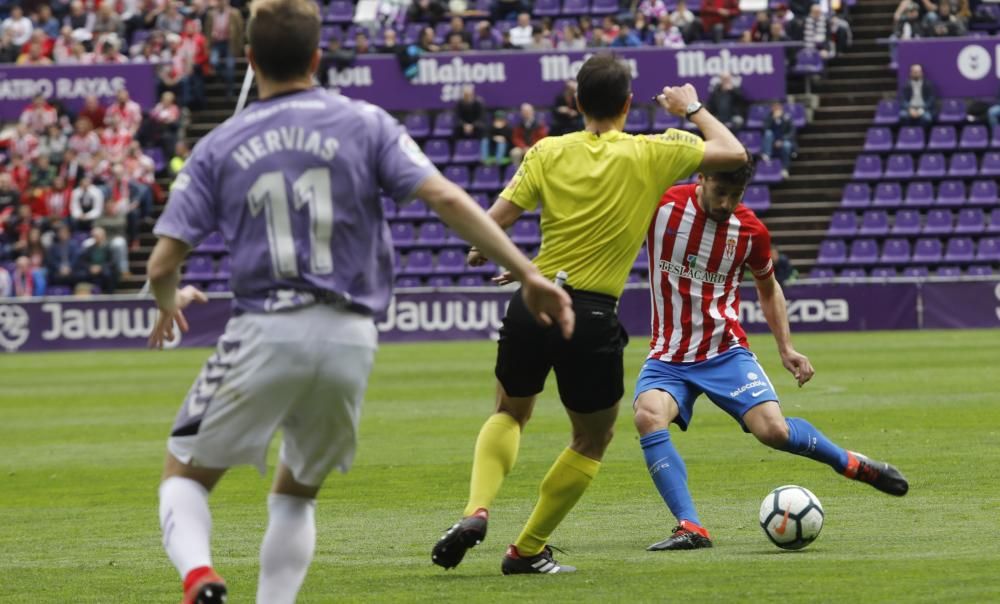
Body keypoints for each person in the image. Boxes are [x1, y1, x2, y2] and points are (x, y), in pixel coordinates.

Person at [146, 2, 573, 603]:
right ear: (318, 58)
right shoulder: (365, 122)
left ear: (250, 59)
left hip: (266, 326)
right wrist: (525, 270)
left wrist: (169, 301)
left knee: (182, 477)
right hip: (349, 337)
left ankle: (200, 577)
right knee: (295, 495)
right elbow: (446, 198)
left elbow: (163, 263)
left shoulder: (221, 142)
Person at [431, 52, 747, 575]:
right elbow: (732, 152)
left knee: (509, 412)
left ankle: (476, 509)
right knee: (592, 437)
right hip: (592, 315)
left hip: (532, 303)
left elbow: (487, 229)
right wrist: (690, 107)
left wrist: (511, 261)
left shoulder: (546, 151)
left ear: (576, 101)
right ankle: (526, 550)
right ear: (627, 103)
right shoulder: (654, 152)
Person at [633, 165, 908, 551]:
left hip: (724, 351)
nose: (727, 203)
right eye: (720, 191)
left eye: (737, 194)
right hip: (668, 355)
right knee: (648, 415)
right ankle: (691, 526)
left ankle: (849, 462)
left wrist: (786, 348)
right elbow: (604, 230)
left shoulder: (750, 232)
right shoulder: (661, 204)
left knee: (773, 432)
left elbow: (768, 287)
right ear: (702, 179)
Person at [761, 102, 795, 178]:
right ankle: (767, 155)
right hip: (771, 142)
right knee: (768, 133)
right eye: (774, 109)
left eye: (778, 109)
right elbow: (764, 129)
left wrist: (782, 140)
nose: (776, 110)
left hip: (783, 141)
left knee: (787, 145)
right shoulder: (769, 117)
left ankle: (785, 169)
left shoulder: (787, 118)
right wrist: (773, 119)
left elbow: (792, 132)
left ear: (781, 109)